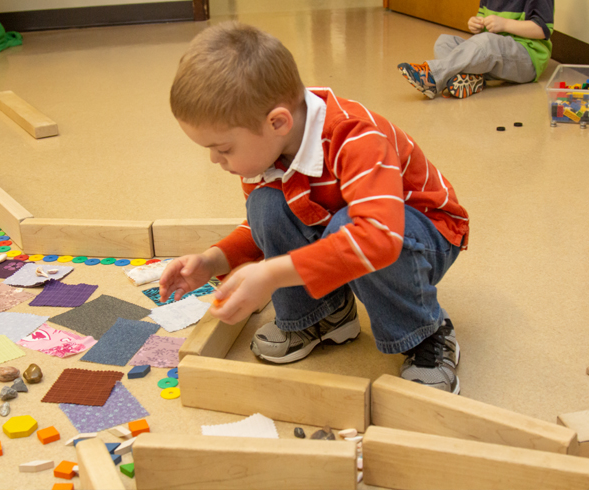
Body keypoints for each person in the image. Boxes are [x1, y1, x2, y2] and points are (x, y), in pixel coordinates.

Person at [160, 22, 469, 393]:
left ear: (277, 122)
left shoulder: (356, 136)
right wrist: (213, 261)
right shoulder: (266, 150)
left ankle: (425, 333)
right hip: (352, 229)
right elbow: (262, 228)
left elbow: (378, 239)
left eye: (223, 148)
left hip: (426, 235)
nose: (215, 160)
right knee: (266, 204)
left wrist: (272, 276)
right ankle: (321, 316)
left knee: (346, 225)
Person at [397, 0, 554, 99]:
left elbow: (542, 29)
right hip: (495, 53)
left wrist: (505, 24)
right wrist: (475, 23)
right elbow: (482, 21)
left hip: (526, 57)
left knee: (486, 42)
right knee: (443, 42)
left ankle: (433, 76)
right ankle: (470, 79)